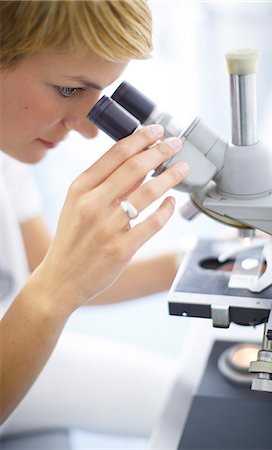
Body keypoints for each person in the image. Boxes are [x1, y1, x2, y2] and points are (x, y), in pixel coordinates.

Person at [0, 0, 190, 439]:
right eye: (69, 90)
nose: (88, 129)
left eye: (98, 95)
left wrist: (198, 265)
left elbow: (50, 270)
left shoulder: (8, 147)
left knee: (192, 405)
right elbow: (53, 285)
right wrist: (56, 289)